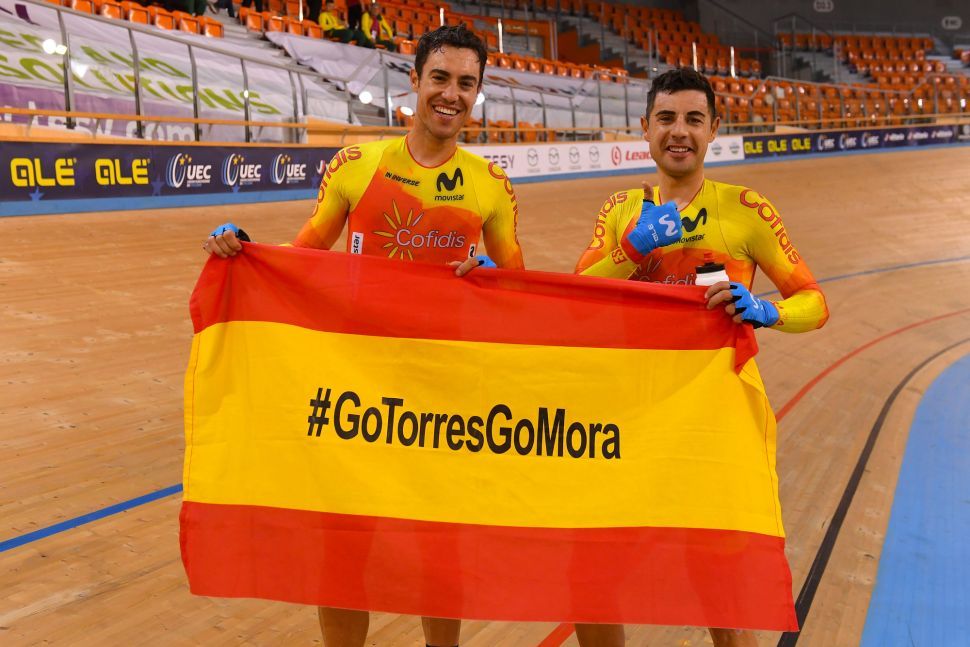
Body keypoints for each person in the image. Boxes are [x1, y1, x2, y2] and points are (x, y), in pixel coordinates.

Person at [203, 25, 525, 646]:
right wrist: (244, 252)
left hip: (441, 393)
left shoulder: (490, 184)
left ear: (478, 92)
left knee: (437, 547)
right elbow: (304, 255)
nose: (451, 94)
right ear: (415, 82)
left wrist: (496, 281)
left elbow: (514, 283)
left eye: (466, 83)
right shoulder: (358, 165)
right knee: (346, 544)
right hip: (356, 385)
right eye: (441, 78)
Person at [572, 67, 828, 647]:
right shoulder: (620, 209)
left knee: (717, 576)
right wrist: (633, 245)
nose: (679, 131)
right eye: (666, 118)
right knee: (593, 567)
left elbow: (814, 301)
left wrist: (768, 312)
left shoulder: (746, 209)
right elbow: (579, 297)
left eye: (693, 119)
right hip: (628, 414)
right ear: (645, 127)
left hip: (712, 419)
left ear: (715, 128)